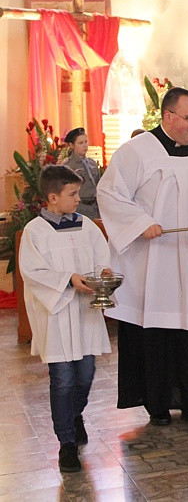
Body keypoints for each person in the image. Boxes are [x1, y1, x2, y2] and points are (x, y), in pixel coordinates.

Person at [97, 87, 188, 428]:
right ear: (168, 116)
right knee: (157, 332)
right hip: (155, 264)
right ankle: (156, 404)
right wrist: (141, 223)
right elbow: (109, 193)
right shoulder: (137, 152)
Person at [19, 165, 112, 472]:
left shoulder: (86, 225)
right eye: (72, 194)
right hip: (57, 315)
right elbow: (32, 273)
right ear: (53, 197)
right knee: (63, 380)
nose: (78, 199)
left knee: (85, 375)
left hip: (85, 313)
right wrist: (69, 278)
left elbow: (102, 256)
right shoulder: (35, 231)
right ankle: (66, 444)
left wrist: (105, 273)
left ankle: (74, 415)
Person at [62, 127, 101, 219]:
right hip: (79, 207)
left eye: (86, 142)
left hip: (95, 207)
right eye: (80, 143)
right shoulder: (68, 166)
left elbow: (98, 184)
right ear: (71, 145)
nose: (85, 145)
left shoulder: (92, 163)